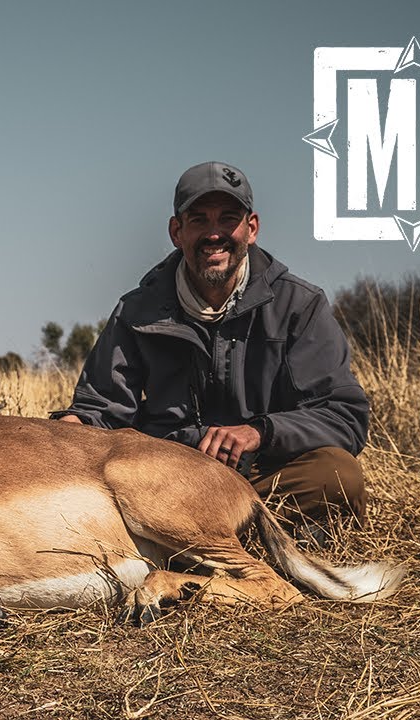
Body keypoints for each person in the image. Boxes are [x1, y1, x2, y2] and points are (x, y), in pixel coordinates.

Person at [51, 161, 369, 538]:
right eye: (199, 220)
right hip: (167, 481)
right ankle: (241, 540)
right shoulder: (136, 311)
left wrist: (260, 432)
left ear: (251, 229)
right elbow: (102, 408)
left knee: (337, 474)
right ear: (176, 232)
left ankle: (186, 542)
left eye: (228, 219)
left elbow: (343, 415)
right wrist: (70, 430)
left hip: (261, 475)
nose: (214, 234)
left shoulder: (299, 305)